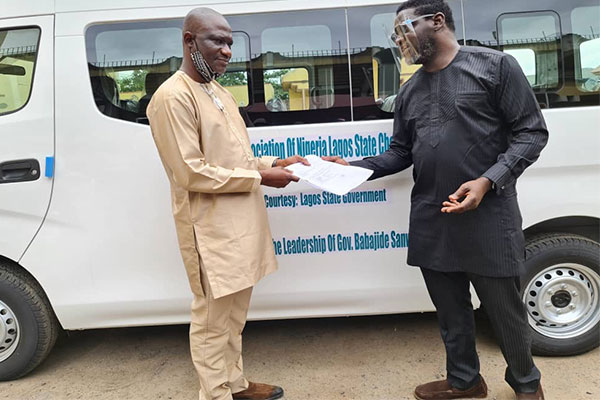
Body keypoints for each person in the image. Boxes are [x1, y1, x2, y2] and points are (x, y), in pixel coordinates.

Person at [325, 1, 547, 399]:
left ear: (436, 21)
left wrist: (487, 181)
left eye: (403, 28)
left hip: (489, 215)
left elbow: (531, 132)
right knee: (451, 313)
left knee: (505, 313)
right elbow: (399, 153)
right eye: (395, 34)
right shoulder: (409, 91)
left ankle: (527, 387)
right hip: (432, 217)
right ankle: (465, 381)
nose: (398, 39)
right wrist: (352, 167)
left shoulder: (494, 67)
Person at [147, 8, 307, 400]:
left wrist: (273, 164)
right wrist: (260, 178)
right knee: (211, 321)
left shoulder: (218, 92)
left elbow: (235, 158)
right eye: (216, 41)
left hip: (241, 223)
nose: (227, 51)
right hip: (209, 229)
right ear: (189, 41)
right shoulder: (172, 97)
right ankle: (215, 393)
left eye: (230, 42)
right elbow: (191, 172)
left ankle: (235, 384)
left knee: (234, 317)